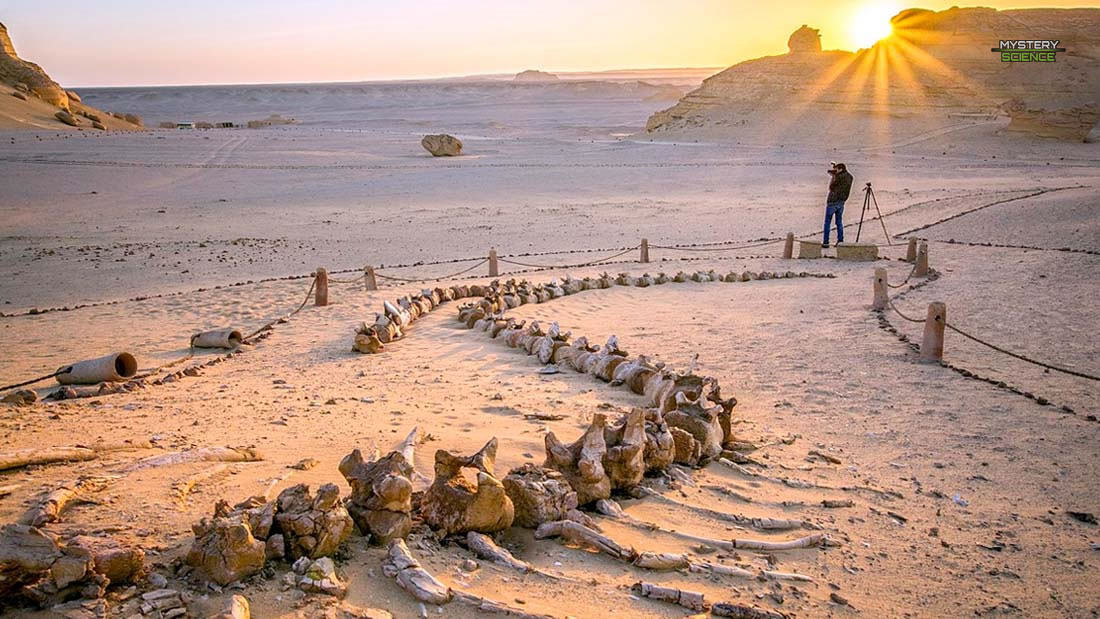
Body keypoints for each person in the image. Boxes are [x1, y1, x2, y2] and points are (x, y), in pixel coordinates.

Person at [823, 162, 852, 248]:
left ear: (840, 169)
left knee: (827, 222)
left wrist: (833, 177)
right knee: (839, 222)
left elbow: (831, 187)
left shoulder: (838, 177)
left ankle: (826, 242)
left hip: (833, 201)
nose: (835, 171)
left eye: (836, 169)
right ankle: (840, 241)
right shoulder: (850, 177)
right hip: (842, 201)